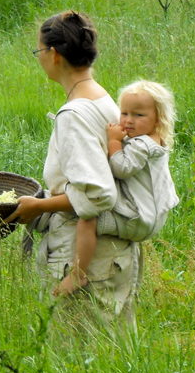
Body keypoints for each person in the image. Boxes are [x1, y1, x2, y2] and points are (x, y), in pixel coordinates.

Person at [6, 10, 141, 330]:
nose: (39, 58)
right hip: (109, 254)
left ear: (53, 55)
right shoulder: (102, 98)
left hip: (84, 258)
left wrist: (39, 206)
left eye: (39, 51)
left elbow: (97, 194)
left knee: (77, 361)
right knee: (113, 355)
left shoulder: (75, 114)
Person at [52, 80, 180, 297]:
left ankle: (78, 273)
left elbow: (122, 168)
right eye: (124, 113)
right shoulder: (151, 139)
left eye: (139, 115)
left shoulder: (143, 145)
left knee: (87, 217)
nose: (129, 121)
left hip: (138, 217)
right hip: (148, 213)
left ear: (158, 120)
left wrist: (113, 142)